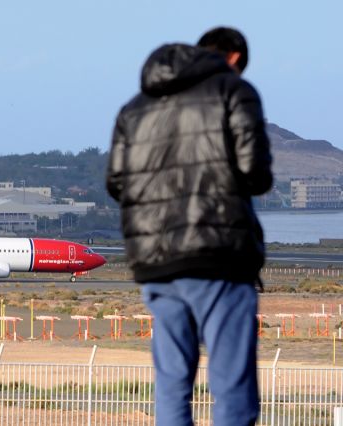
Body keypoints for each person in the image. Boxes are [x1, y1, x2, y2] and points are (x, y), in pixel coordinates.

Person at [106, 27, 272, 426]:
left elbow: (115, 183)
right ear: (233, 56)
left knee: (172, 384)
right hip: (219, 253)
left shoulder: (135, 108)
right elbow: (256, 174)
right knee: (231, 384)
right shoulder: (233, 90)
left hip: (157, 261)